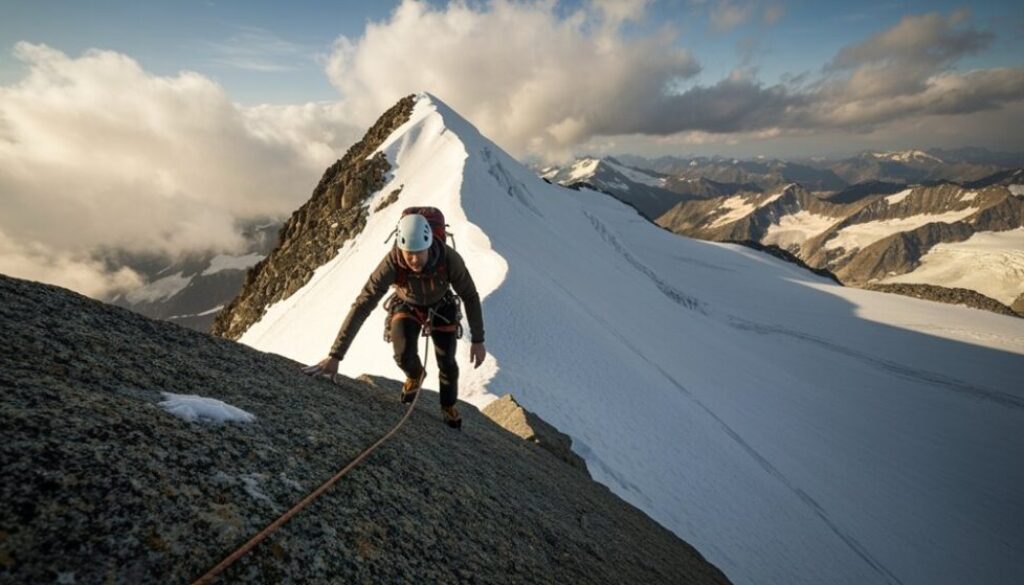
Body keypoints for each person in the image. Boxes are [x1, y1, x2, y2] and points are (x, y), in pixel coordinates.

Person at [302, 212, 486, 429]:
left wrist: (478, 340)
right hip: (407, 303)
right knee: (403, 353)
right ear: (400, 248)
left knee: (447, 363)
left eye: (419, 253)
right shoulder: (392, 262)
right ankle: (415, 374)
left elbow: (470, 296)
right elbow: (363, 303)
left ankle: (447, 405)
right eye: (409, 254)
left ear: (429, 245)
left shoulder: (449, 259)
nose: (414, 260)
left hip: (442, 305)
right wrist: (335, 355)